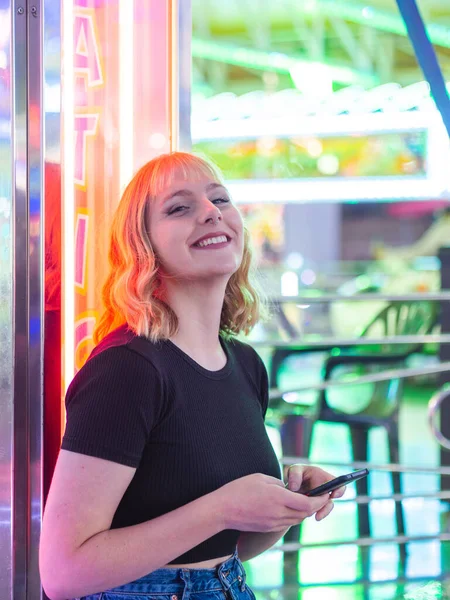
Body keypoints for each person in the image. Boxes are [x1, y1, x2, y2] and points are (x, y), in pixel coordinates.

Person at [39, 152, 345, 600]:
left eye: (220, 199)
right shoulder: (127, 369)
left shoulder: (244, 363)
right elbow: (64, 574)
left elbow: (230, 547)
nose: (210, 212)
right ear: (143, 247)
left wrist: (285, 507)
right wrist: (222, 508)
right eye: (180, 208)